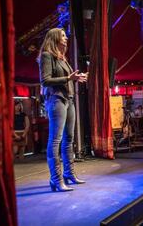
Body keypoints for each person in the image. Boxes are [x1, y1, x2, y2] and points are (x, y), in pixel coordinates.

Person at [38, 28, 88, 192]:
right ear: (54, 38)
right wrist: (68, 78)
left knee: (69, 139)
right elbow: (45, 81)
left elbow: (68, 78)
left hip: (69, 100)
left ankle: (69, 174)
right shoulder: (47, 55)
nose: (66, 38)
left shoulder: (62, 58)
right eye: (63, 36)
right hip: (57, 100)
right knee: (55, 140)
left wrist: (76, 78)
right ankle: (56, 179)